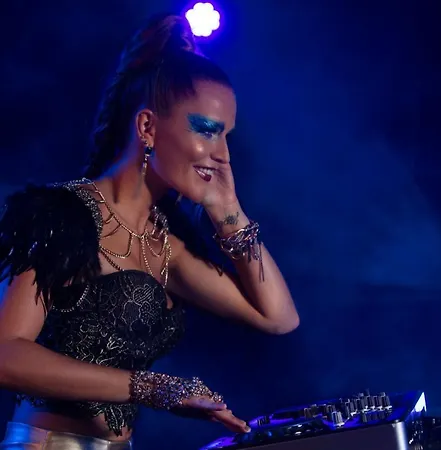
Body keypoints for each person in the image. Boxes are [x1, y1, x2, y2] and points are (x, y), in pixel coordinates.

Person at [0, 13, 299, 450]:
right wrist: (151, 387)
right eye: (207, 132)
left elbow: (278, 318)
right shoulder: (59, 215)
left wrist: (227, 209)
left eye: (227, 137)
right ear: (147, 127)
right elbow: (6, 353)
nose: (222, 155)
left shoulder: (166, 244)